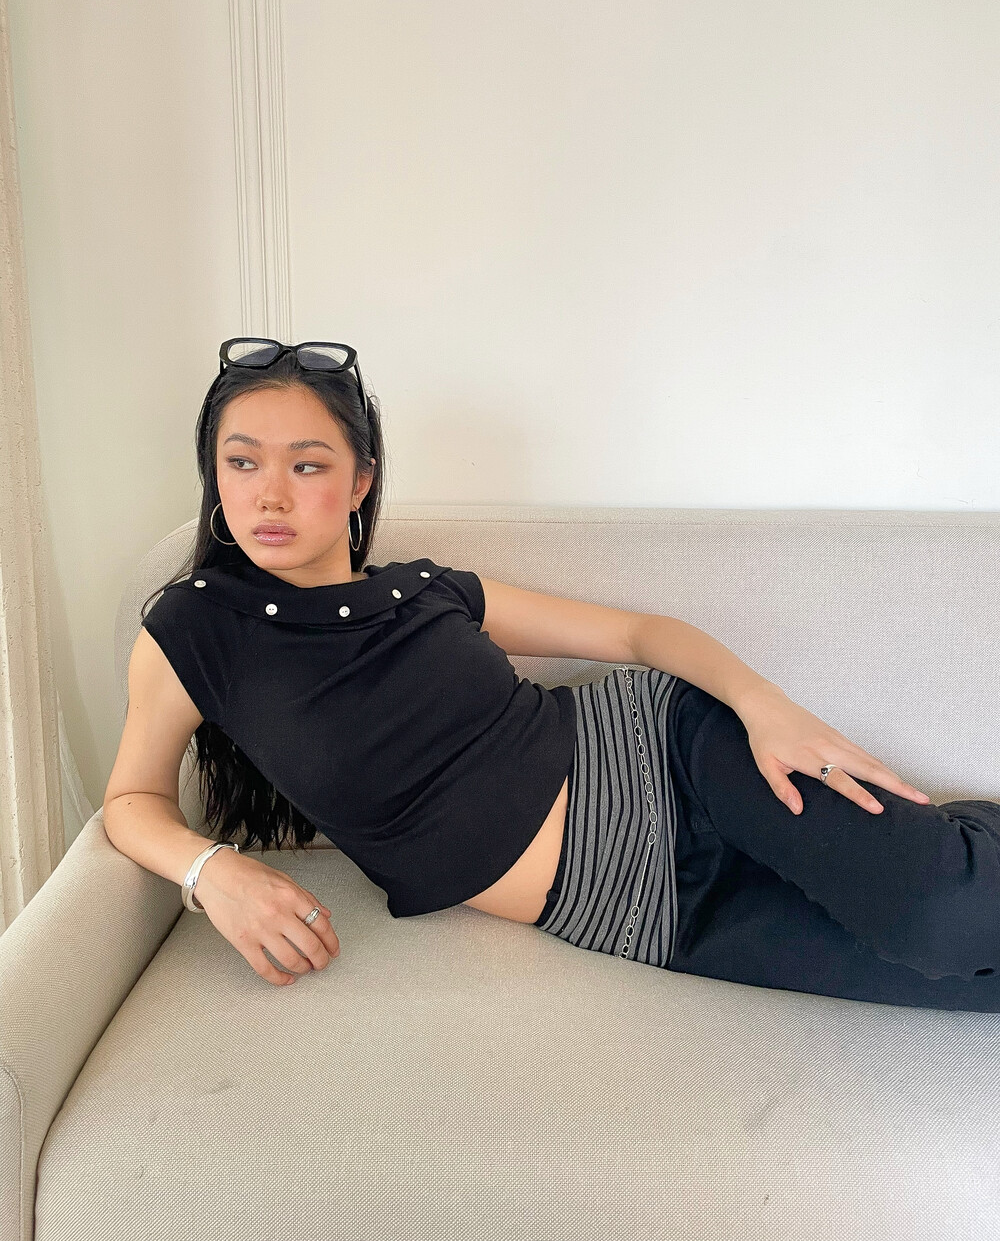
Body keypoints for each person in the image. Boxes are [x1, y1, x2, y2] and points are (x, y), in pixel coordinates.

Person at [103, 340, 1000, 1013]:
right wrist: (213, 871)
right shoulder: (194, 629)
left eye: (307, 464)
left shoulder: (427, 590)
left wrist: (763, 706)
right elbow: (131, 800)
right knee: (973, 983)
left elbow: (641, 634)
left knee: (946, 920)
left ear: (361, 481)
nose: (269, 493)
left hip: (676, 757)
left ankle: (947, 850)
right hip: (642, 908)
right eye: (242, 461)